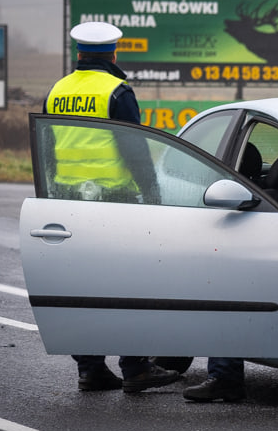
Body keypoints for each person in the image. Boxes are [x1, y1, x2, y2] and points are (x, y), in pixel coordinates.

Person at [44, 21, 178, 393]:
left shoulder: (57, 91)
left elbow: (48, 149)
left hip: (69, 202)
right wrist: (151, 193)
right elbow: (133, 148)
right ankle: (135, 368)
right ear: (113, 53)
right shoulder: (116, 91)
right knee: (129, 286)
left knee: (81, 288)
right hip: (114, 204)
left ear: (79, 54)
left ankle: (89, 368)